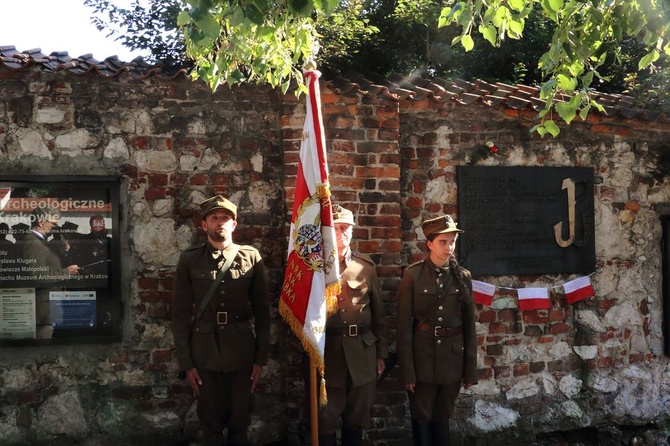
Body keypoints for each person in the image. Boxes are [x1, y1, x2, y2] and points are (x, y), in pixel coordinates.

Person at [172, 195, 271, 446]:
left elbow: (263, 313)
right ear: (204, 225)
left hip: (241, 352)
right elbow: (181, 314)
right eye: (214, 218)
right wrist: (187, 364)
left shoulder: (251, 257)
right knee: (210, 424)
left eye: (225, 218)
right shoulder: (190, 259)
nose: (220, 223)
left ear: (234, 225)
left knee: (240, 422)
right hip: (204, 353)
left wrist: (260, 359)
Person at [396, 214, 478, 446]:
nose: (448, 247)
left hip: (452, 359)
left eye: (451, 242)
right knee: (421, 415)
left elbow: (469, 326)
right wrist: (408, 371)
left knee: (443, 416)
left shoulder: (463, 277)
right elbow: (403, 328)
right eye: (443, 242)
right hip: (422, 359)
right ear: (429, 244)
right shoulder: (413, 275)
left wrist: (470, 369)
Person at [318, 204, 389, 446]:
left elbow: (379, 315)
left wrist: (381, 353)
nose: (341, 233)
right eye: (336, 228)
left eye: (346, 228)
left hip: (363, 352)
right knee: (326, 418)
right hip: (330, 353)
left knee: (357, 417)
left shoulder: (365, 267)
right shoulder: (315, 269)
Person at [19, 207, 81, 339]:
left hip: (47, 308)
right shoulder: (33, 242)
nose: (55, 227)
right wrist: (66, 272)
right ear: (41, 222)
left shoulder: (40, 242)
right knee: (42, 346)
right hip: (42, 311)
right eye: (53, 223)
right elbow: (37, 275)